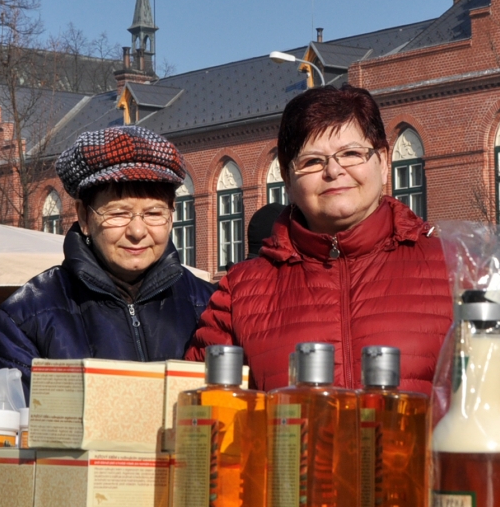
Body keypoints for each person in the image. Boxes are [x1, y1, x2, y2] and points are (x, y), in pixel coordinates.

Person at [187, 85, 453, 393]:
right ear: (287, 179)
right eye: (312, 161)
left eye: (352, 154)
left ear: (382, 161)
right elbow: (202, 413)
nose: (334, 171)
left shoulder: (453, 268)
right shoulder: (241, 292)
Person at [0, 126, 215, 406]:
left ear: (172, 213)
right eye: (119, 213)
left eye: (154, 213)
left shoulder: (211, 307)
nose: (138, 231)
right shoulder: (25, 318)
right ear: (83, 216)